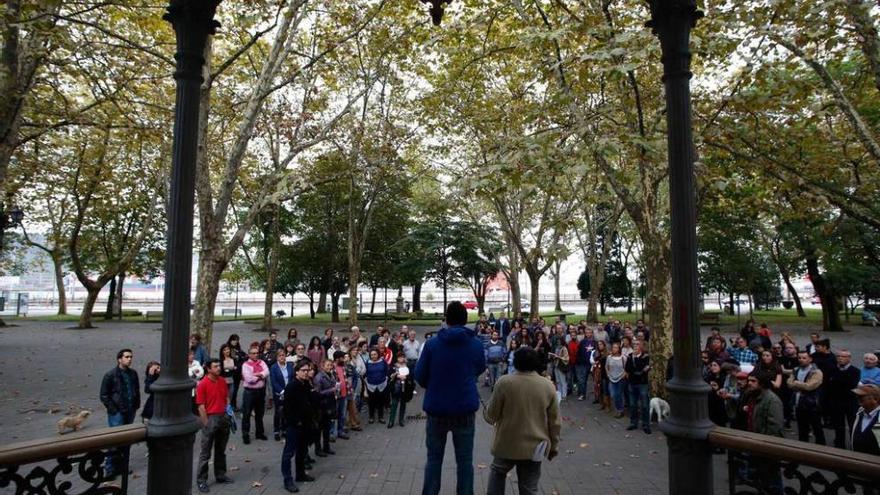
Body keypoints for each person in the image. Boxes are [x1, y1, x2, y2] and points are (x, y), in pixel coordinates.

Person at [415, 301, 487, 495]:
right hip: (464, 409)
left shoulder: (431, 345)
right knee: (465, 461)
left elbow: (420, 376)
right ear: (465, 320)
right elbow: (480, 368)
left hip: (437, 409)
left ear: (446, 319)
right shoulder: (475, 344)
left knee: (434, 459)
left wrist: (435, 385)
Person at [484, 347, 561, 495]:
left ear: (516, 362)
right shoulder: (547, 386)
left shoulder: (504, 382)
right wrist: (553, 446)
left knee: (497, 472)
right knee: (529, 486)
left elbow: (491, 415)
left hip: (506, 442)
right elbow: (555, 422)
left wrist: (486, 412)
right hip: (535, 445)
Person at [195, 358, 234, 493]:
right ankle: (201, 480)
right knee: (205, 452)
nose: (219, 368)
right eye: (216, 366)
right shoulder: (203, 384)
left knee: (220, 450)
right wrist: (206, 423)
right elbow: (200, 406)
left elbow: (226, 397)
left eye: (219, 366)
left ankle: (220, 474)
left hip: (223, 417)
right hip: (211, 418)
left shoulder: (222, 381)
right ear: (208, 369)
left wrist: (228, 411)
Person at [100, 348, 140, 478]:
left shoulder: (133, 373)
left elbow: (136, 389)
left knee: (126, 440)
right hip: (117, 412)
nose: (129, 359)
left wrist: (136, 404)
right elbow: (104, 395)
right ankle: (110, 467)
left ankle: (122, 466)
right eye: (127, 357)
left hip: (130, 410)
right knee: (115, 440)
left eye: (130, 357)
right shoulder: (110, 375)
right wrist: (113, 409)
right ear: (119, 359)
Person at [744, 373, 784, 495]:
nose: (749, 383)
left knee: (773, 480)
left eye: (753, 381)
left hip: (766, 447)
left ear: (762, 383)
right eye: (749, 380)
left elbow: (775, 427)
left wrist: (764, 445)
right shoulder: (753, 396)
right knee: (762, 479)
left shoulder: (772, 401)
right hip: (755, 443)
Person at [282, 360, 317, 492]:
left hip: (305, 424)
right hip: (294, 425)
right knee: (288, 453)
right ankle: (287, 480)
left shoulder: (306, 384)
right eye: (303, 370)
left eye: (308, 370)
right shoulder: (291, 386)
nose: (306, 373)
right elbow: (287, 409)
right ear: (297, 372)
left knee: (302, 451)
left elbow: (310, 401)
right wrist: (295, 422)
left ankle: (300, 474)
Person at [788, 350, 825, 445]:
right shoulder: (796, 370)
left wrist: (796, 383)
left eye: (804, 358)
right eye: (799, 358)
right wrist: (800, 385)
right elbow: (789, 383)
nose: (801, 360)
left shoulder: (816, 372)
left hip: (812, 405)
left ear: (810, 359)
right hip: (798, 403)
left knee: (817, 429)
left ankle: (822, 450)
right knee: (802, 430)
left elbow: (810, 386)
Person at [827, 349, 860, 449]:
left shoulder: (855, 371)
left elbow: (851, 386)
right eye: (838, 356)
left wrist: (837, 381)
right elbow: (829, 386)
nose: (840, 358)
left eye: (843, 356)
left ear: (849, 358)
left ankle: (854, 444)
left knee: (852, 425)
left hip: (850, 402)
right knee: (838, 425)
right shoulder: (832, 369)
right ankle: (840, 444)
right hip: (836, 402)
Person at [241, 345, 270, 444]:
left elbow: (267, 371)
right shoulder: (245, 365)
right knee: (247, 414)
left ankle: (259, 433)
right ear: (249, 354)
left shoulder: (262, 362)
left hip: (261, 391)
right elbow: (249, 379)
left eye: (257, 353)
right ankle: (245, 434)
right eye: (253, 353)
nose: (256, 355)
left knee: (260, 413)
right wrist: (261, 376)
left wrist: (258, 375)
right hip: (249, 392)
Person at [625, 339, 651, 434]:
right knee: (633, 405)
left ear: (641, 346)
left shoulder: (645, 357)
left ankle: (646, 424)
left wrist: (638, 369)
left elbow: (643, 369)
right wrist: (633, 358)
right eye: (634, 344)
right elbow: (628, 368)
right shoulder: (630, 356)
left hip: (642, 384)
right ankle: (633, 423)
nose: (635, 346)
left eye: (637, 344)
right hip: (632, 383)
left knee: (644, 405)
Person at [312, 358, 337, 457]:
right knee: (319, 429)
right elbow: (318, 393)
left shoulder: (331, 375)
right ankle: (318, 449)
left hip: (329, 405)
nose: (329, 367)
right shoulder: (319, 377)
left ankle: (326, 447)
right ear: (322, 366)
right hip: (321, 406)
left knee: (327, 428)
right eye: (327, 365)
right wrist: (331, 390)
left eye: (330, 365)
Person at [270, 349, 294, 441]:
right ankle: (276, 431)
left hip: (289, 392)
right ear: (277, 357)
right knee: (278, 412)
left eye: (283, 355)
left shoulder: (290, 366)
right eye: (280, 356)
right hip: (279, 393)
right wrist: (282, 391)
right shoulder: (274, 367)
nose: (282, 357)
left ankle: (284, 429)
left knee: (286, 411)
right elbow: (274, 382)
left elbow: (292, 378)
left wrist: (289, 390)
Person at [850, 384, 880, 455]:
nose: (858, 398)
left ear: (875, 399)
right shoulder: (859, 413)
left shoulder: (878, 417)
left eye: (862, 396)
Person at [388, 353, 415, 428]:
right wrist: (397, 375)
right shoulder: (393, 366)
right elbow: (389, 375)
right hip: (396, 388)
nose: (401, 359)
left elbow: (412, 376)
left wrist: (406, 377)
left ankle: (401, 420)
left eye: (402, 357)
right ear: (397, 358)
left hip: (405, 388)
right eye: (399, 357)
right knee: (394, 404)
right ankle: (391, 421)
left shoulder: (407, 365)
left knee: (403, 404)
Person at [365, 349, 389, 423]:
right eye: (372, 355)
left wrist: (385, 379)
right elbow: (365, 373)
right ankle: (371, 417)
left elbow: (386, 371)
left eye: (375, 354)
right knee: (371, 402)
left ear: (378, 354)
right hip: (370, 386)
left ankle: (381, 417)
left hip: (382, 385)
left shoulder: (383, 361)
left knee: (381, 402)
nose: (373, 356)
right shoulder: (367, 362)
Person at [332, 351, 351, 439]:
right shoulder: (332, 367)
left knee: (342, 414)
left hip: (344, 394)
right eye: (342, 358)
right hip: (336, 396)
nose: (344, 359)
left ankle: (341, 431)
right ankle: (332, 433)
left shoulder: (343, 366)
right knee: (334, 414)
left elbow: (347, 377)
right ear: (337, 359)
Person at [225, 334, 247, 410]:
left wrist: (242, 359)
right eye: (233, 340)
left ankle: (233, 404)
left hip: (238, 372)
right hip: (231, 373)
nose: (235, 342)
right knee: (231, 390)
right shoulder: (228, 349)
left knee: (236, 389)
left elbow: (245, 356)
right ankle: (230, 404)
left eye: (236, 340)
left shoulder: (238, 349)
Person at [575, 329, 595, 401]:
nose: (588, 334)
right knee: (582, 380)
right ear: (585, 334)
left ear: (592, 333)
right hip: (583, 364)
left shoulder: (594, 342)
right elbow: (579, 352)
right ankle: (582, 394)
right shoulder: (582, 342)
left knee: (591, 380)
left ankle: (596, 396)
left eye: (590, 332)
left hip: (592, 364)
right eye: (587, 333)